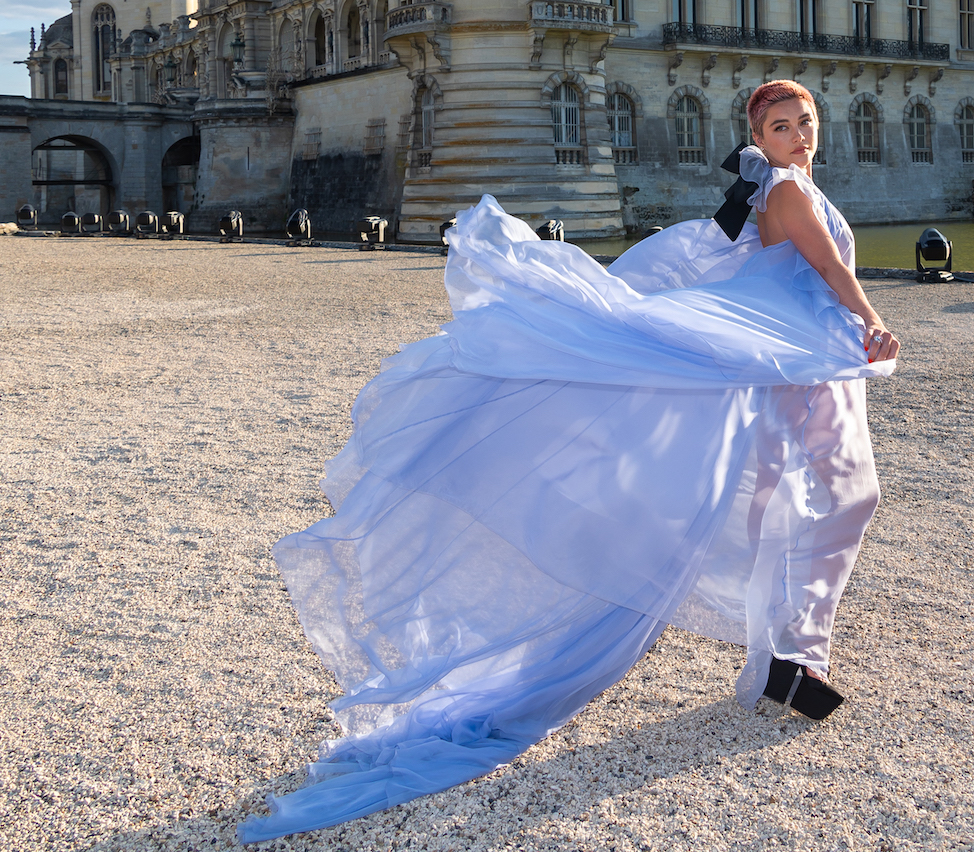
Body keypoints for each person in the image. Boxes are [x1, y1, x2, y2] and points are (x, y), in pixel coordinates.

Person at [239, 79, 898, 843]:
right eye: (782, 125)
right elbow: (829, 272)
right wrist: (876, 324)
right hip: (805, 363)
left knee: (793, 495)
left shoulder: (779, 187)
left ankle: (785, 653)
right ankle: (789, 654)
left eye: (806, 122)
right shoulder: (785, 191)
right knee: (844, 495)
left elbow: (743, 265)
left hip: (802, 361)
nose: (798, 135)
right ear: (761, 135)